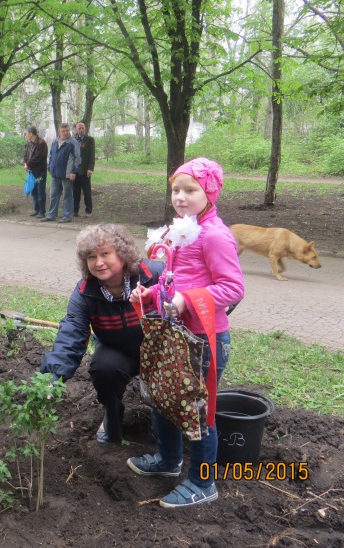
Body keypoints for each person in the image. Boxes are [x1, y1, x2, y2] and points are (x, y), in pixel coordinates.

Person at [129, 157, 245, 508]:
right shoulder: (183, 229)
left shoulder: (215, 236)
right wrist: (150, 294)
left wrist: (187, 301)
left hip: (203, 341)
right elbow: (173, 281)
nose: (180, 197)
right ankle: (168, 461)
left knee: (198, 410)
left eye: (190, 190)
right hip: (173, 335)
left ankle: (202, 482)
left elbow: (233, 288)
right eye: (176, 190)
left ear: (209, 192)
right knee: (163, 398)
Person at [40, 224, 163, 444]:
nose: (99, 262)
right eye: (91, 257)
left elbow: (193, 293)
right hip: (119, 351)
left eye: (105, 254)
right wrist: (54, 376)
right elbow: (72, 332)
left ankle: (167, 428)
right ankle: (112, 422)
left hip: (161, 351)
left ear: (123, 254)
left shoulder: (153, 274)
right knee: (103, 369)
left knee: (167, 399)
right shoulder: (85, 292)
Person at [41, 122, 80, 223]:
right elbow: (51, 156)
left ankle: (67, 216)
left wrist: (74, 172)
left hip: (67, 174)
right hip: (55, 174)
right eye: (63, 131)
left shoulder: (73, 142)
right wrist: (50, 168)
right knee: (53, 194)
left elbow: (78, 158)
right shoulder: (55, 142)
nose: (66, 133)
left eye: (67, 131)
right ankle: (51, 215)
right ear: (59, 132)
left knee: (67, 195)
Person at [22, 125, 49, 218]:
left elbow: (38, 157)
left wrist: (28, 164)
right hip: (31, 171)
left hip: (40, 170)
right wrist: (25, 163)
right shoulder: (29, 142)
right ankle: (36, 210)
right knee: (33, 191)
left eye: (26, 133)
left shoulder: (41, 143)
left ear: (31, 133)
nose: (25, 135)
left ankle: (42, 211)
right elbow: (26, 154)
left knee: (40, 191)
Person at [73, 122, 95, 217]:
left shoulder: (89, 140)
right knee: (75, 192)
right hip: (75, 170)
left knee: (87, 192)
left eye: (83, 128)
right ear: (76, 130)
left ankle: (88, 210)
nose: (81, 130)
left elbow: (92, 155)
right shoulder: (73, 140)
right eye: (79, 128)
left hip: (85, 170)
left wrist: (90, 168)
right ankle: (75, 210)